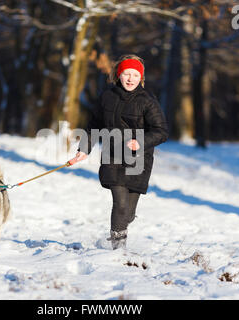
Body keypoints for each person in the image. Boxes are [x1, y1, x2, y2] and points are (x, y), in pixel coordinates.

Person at [71, 54, 169, 249]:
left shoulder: (147, 101)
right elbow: (94, 125)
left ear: (140, 78)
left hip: (138, 161)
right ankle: (118, 249)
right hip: (112, 155)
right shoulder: (107, 97)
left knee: (128, 212)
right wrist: (84, 149)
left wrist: (140, 141)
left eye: (134, 74)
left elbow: (161, 132)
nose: (130, 78)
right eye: (126, 74)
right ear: (118, 75)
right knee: (120, 204)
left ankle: (121, 226)